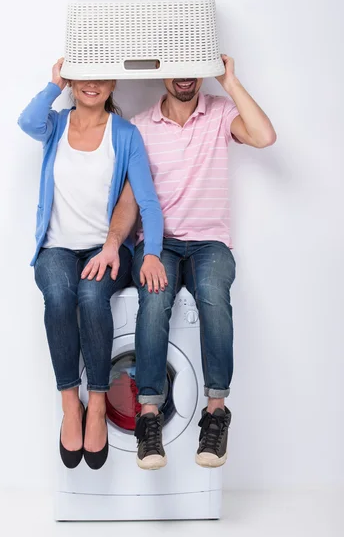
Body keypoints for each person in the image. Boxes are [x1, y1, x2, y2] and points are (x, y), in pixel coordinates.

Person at [129, 55, 277, 470]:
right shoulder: (141, 126)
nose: (185, 76)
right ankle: (149, 420)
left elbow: (264, 136)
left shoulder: (219, 113)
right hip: (161, 244)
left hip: (210, 242)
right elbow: (129, 195)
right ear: (163, 75)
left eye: (193, 67)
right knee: (155, 302)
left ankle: (215, 415)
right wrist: (149, 251)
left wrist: (229, 81)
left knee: (213, 296)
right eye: (176, 67)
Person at [18, 58, 165, 470]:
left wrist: (148, 250)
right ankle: (70, 404)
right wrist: (53, 85)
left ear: (113, 83)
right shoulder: (56, 126)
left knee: (90, 295)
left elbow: (148, 202)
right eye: (84, 76)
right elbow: (27, 122)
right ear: (72, 81)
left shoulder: (125, 135)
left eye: (102, 78)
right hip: (56, 249)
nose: (93, 85)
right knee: (60, 295)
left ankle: (97, 402)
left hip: (106, 250)